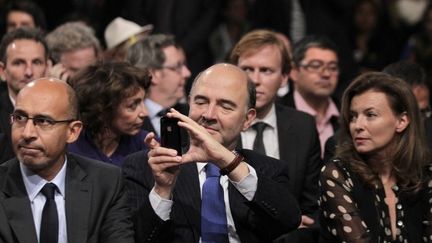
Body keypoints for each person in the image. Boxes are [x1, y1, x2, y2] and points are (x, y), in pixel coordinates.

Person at [123, 63, 301, 242]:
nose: (209, 114)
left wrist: (226, 160)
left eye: (225, 106)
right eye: (200, 102)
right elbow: (139, 239)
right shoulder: (146, 166)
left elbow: (289, 220)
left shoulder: (268, 170)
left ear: (247, 119)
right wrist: (163, 189)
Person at [0, 78, 134, 242]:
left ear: (73, 132)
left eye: (43, 121)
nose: (27, 133)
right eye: (20, 118)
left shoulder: (106, 184)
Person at [319, 72, 432, 242]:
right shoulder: (337, 174)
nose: (357, 125)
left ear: (401, 121)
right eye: (353, 116)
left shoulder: (426, 175)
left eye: (370, 115)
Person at [229, 29, 322, 231]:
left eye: (266, 70)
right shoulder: (215, 122)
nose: (255, 80)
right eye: (246, 69)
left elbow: (312, 204)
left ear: (285, 77)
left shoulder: (303, 126)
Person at [67, 61, 150, 167]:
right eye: (132, 105)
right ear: (104, 109)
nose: (145, 113)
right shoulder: (69, 149)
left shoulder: (148, 145)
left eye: (143, 101)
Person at [280, 35, 340, 157]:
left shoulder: (347, 113)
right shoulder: (278, 112)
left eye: (332, 67)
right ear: (294, 72)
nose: (326, 74)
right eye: (316, 66)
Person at [0, 28, 49, 163]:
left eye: (36, 62)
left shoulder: (64, 111)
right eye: (19, 63)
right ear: (2, 71)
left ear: (47, 68)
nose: (29, 72)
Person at [126, 34, 191, 137]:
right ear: (153, 74)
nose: (187, 73)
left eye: (184, 65)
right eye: (177, 67)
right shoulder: (128, 121)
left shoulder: (190, 115)